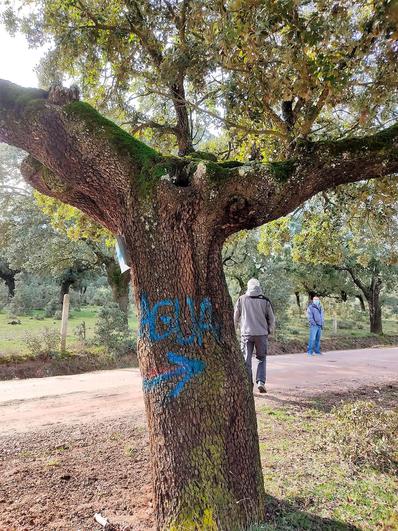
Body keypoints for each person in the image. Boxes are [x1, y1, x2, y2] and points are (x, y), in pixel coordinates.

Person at [234, 278, 275, 393]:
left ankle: (248, 385)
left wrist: (234, 329)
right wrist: (270, 330)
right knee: (261, 358)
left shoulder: (241, 299)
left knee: (246, 360)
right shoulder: (265, 300)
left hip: (246, 334)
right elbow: (271, 318)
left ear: (248, 286)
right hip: (261, 334)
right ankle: (261, 382)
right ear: (259, 286)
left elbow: (235, 316)